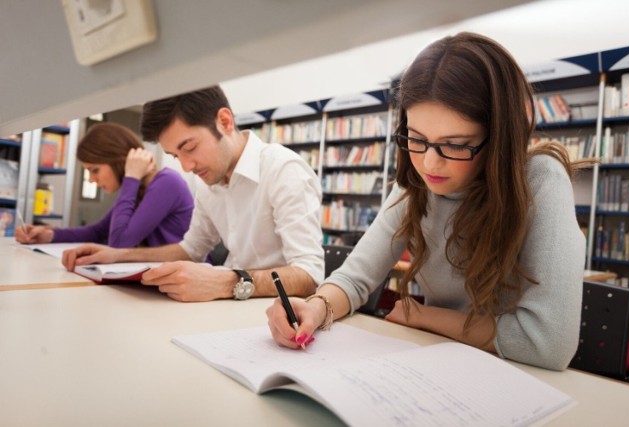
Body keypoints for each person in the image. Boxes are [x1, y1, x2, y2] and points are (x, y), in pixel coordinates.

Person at [266, 32, 591, 371]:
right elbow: (354, 278)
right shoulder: (415, 181)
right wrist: (317, 307)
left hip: (517, 378)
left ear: (499, 138)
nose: (431, 165)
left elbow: (548, 344)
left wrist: (423, 315)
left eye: (456, 145)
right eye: (416, 139)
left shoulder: (540, 179)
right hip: (438, 365)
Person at [61, 85, 324, 302]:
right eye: (176, 156)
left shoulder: (283, 170)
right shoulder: (208, 180)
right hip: (229, 308)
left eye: (190, 147)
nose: (186, 166)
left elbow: (309, 275)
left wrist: (227, 282)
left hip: (275, 314)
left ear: (224, 121)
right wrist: (117, 255)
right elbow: (191, 250)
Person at [15, 122, 193, 248]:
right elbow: (97, 232)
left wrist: (131, 177)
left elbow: (119, 243)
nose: (92, 179)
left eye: (95, 170)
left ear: (117, 160)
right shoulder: (138, 188)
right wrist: (49, 235)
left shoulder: (167, 183)